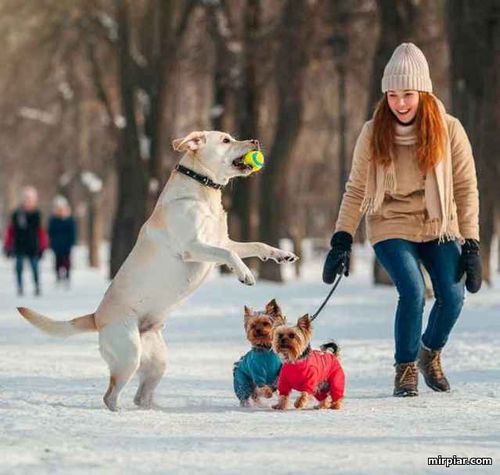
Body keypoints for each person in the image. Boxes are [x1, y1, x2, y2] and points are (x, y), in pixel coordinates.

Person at [322, 43, 481, 397]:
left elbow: (466, 187)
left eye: (408, 94)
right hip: (390, 222)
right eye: (393, 95)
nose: (400, 103)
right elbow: (357, 188)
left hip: (438, 223)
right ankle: (406, 367)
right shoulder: (372, 132)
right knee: (411, 291)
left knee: (452, 296)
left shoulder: (449, 129)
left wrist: (470, 243)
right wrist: (341, 238)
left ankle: (430, 353)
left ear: (423, 92)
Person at [3, 186, 48, 296]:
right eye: (26, 199)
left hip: (33, 246)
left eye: (30, 199)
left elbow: (41, 231)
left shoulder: (37, 214)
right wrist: (7, 245)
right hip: (19, 245)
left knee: (34, 267)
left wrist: (43, 246)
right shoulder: (16, 214)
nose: (28, 202)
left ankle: (37, 286)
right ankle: (20, 287)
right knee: (18, 267)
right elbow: (10, 231)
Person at [48, 196, 77, 286]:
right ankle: (58, 277)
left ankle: (67, 276)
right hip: (57, 244)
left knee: (66, 261)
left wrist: (72, 242)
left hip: (67, 244)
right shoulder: (53, 220)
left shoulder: (69, 220)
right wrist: (51, 242)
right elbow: (50, 232)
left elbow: (72, 232)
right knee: (58, 261)